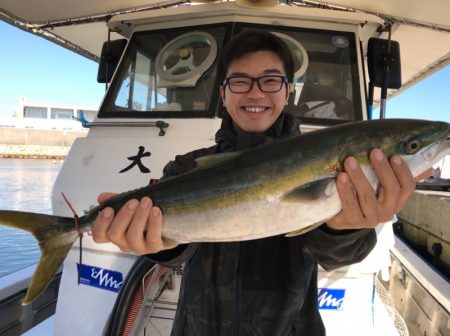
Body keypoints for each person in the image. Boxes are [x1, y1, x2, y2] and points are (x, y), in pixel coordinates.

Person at [92, 30, 421, 335]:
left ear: (287, 91)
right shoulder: (187, 167)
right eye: (240, 82)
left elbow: (337, 257)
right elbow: (178, 251)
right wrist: (156, 243)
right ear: (223, 93)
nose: (255, 92)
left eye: (270, 81)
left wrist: (344, 229)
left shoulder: (327, 163)